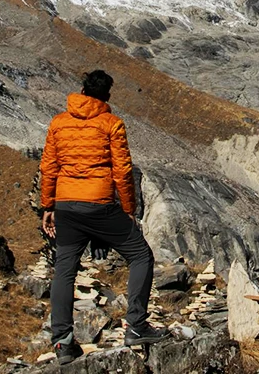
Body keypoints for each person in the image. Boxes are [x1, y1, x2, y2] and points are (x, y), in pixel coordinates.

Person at [39, 70, 166, 364]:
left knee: (65, 269)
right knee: (140, 255)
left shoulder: (59, 122)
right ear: (107, 96)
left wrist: (48, 206)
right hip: (98, 203)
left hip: (66, 205)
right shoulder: (111, 124)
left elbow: (49, 166)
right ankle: (136, 325)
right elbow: (122, 171)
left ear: (82, 90)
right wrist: (129, 210)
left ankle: (62, 341)